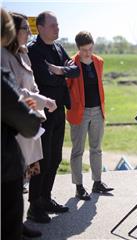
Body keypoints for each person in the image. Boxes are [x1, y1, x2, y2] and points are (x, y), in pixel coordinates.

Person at [26, 11, 80, 223]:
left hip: (59, 112)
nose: (57, 29)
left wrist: (59, 70)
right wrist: (60, 72)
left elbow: (74, 70)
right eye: (53, 26)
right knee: (42, 159)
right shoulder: (33, 50)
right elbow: (43, 78)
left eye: (58, 25)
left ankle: (46, 198)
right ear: (40, 28)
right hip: (42, 113)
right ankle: (34, 205)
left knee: (55, 157)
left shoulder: (57, 47)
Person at [1, 8, 42, 240]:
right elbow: (26, 122)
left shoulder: (23, 53)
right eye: (25, 28)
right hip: (5, 157)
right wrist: (31, 114)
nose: (28, 32)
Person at [66, 31, 113, 201]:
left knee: (96, 149)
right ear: (78, 48)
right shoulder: (71, 63)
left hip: (97, 111)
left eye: (90, 49)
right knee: (77, 151)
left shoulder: (99, 61)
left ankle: (97, 182)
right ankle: (79, 187)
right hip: (79, 112)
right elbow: (67, 88)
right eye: (84, 50)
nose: (88, 53)